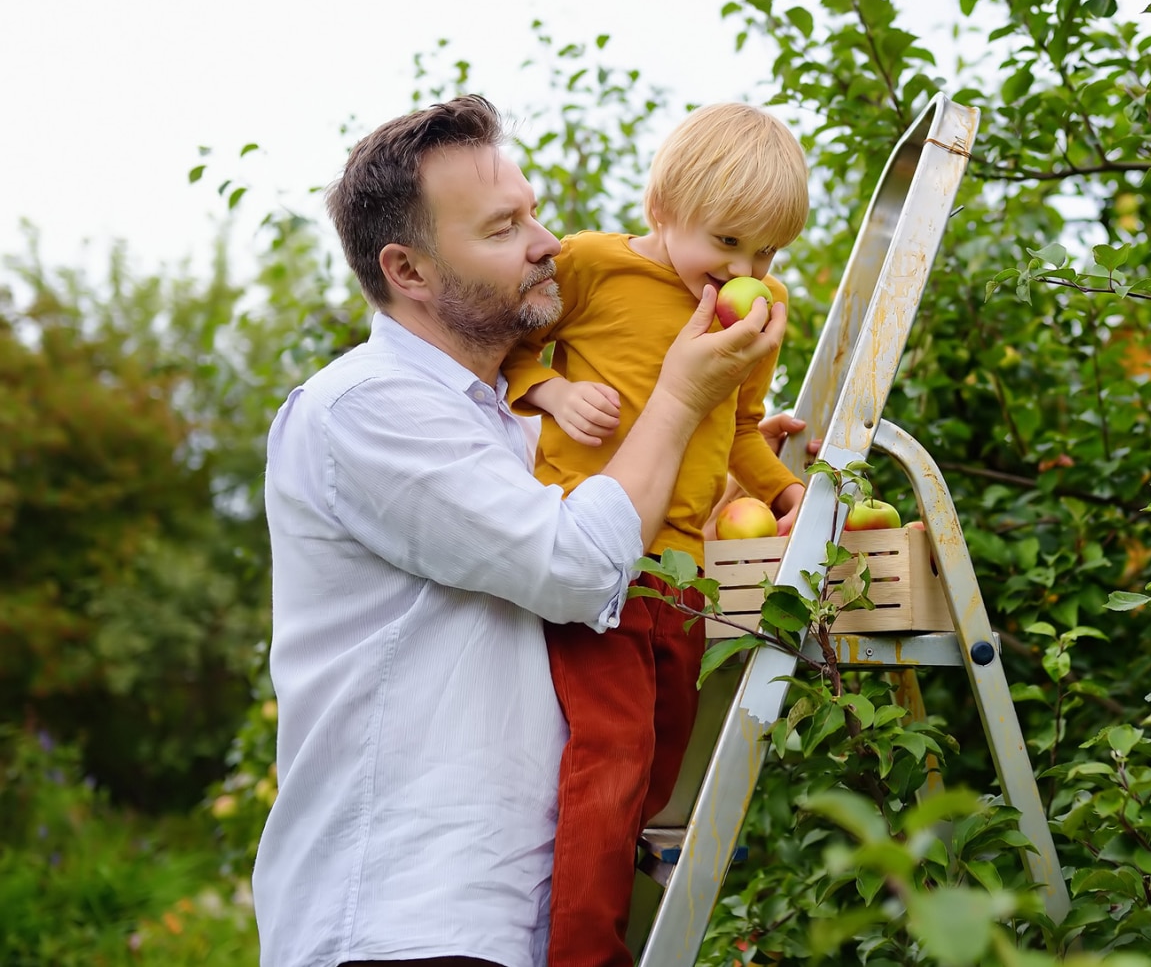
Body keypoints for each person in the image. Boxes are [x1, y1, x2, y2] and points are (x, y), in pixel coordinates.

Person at [252, 94, 787, 967]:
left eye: (533, 212)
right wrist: (682, 396)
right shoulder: (367, 410)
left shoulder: (507, 425)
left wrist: (745, 472)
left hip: (502, 926)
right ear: (410, 271)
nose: (546, 241)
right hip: (403, 927)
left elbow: (623, 504)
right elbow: (580, 565)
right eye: (504, 229)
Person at [501, 102, 810, 967]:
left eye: (767, 253)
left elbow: (742, 426)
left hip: (686, 571)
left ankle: (593, 886)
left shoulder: (759, 309)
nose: (746, 269)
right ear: (662, 209)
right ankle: (582, 952)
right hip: (594, 558)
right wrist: (553, 393)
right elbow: (510, 350)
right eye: (728, 243)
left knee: (664, 753)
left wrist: (785, 492)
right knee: (614, 750)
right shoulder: (596, 266)